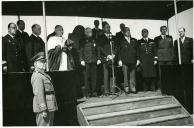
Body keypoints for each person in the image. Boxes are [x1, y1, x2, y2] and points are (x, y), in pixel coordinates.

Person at [31, 52, 58, 126]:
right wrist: (43, 109)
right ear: (35, 64)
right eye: (42, 62)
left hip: (50, 105)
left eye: (45, 62)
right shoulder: (37, 76)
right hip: (44, 108)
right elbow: (39, 93)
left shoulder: (44, 75)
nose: (45, 63)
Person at [79, 27, 101, 97]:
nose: (91, 33)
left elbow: (98, 49)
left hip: (94, 60)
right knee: (87, 78)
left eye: (91, 31)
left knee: (94, 77)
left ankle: (94, 92)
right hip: (86, 61)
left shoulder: (94, 40)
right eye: (89, 32)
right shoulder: (82, 40)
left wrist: (99, 58)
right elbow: (80, 51)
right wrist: (81, 60)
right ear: (86, 33)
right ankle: (88, 93)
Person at [98, 22, 118, 96]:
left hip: (112, 58)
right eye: (106, 27)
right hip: (105, 58)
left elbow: (116, 47)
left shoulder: (113, 37)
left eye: (109, 27)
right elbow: (101, 47)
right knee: (106, 74)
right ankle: (106, 91)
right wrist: (108, 55)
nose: (108, 28)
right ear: (103, 29)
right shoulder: (100, 37)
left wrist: (114, 54)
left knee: (113, 75)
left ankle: (113, 90)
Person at [118, 27, 139, 94]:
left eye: (129, 30)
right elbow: (119, 51)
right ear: (123, 32)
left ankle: (133, 88)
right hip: (125, 61)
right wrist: (119, 60)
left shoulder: (134, 40)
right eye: (126, 31)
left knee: (132, 75)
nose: (128, 32)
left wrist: (138, 59)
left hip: (133, 60)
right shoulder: (121, 41)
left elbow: (137, 50)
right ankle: (126, 88)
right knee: (126, 75)